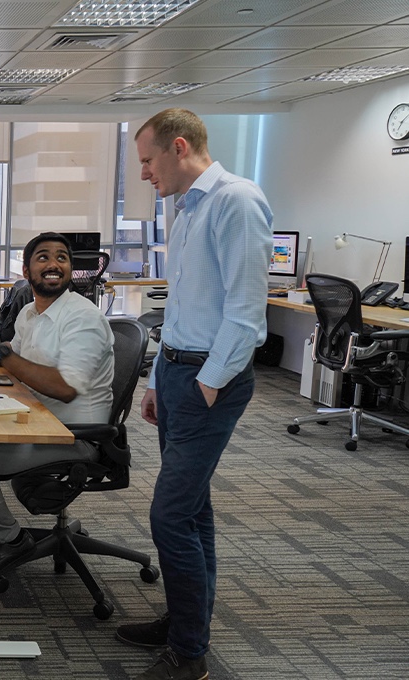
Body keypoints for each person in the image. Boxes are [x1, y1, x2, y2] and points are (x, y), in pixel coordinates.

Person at [115, 108, 272, 680]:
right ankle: (186, 621)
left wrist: (206, 384)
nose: (145, 174)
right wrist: (159, 378)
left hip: (214, 379)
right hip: (181, 372)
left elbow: (246, 313)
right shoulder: (187, 209)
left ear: (178, 147)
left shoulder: (237, 200)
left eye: (148, 160)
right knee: (193, 510)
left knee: (170, 515)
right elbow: (180, 310)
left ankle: (190, 654)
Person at [0, 232, 114, 579]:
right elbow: (15, 359)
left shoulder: (82, 319)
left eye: (62, 258)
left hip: (71, 435)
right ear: (27, 269)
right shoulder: (30, 314)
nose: (54, 264)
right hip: (37, 421)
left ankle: (11, 539)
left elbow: (64, 388)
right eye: (44, 257)